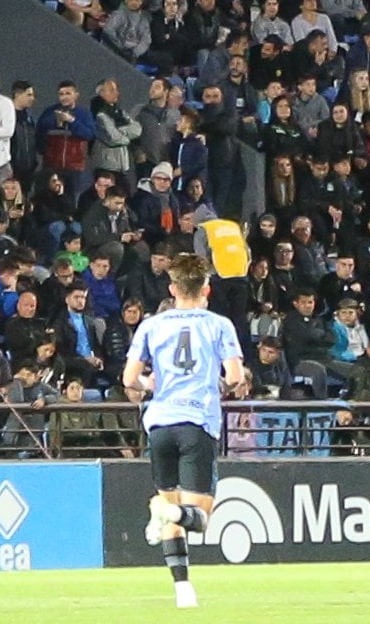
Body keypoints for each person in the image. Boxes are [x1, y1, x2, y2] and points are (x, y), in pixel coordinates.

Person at [126, 257, 247, 609]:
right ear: (206, 290)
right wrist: (221, 386)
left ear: (172, 289)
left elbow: (129, 379)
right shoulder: (219, 324)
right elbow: (236, 376)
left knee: (170, 504)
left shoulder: (151, 325)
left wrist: (150, 384)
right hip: (196, 424)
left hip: (160, 423)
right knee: (198, 518)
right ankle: (165, 511)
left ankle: (183, 590)